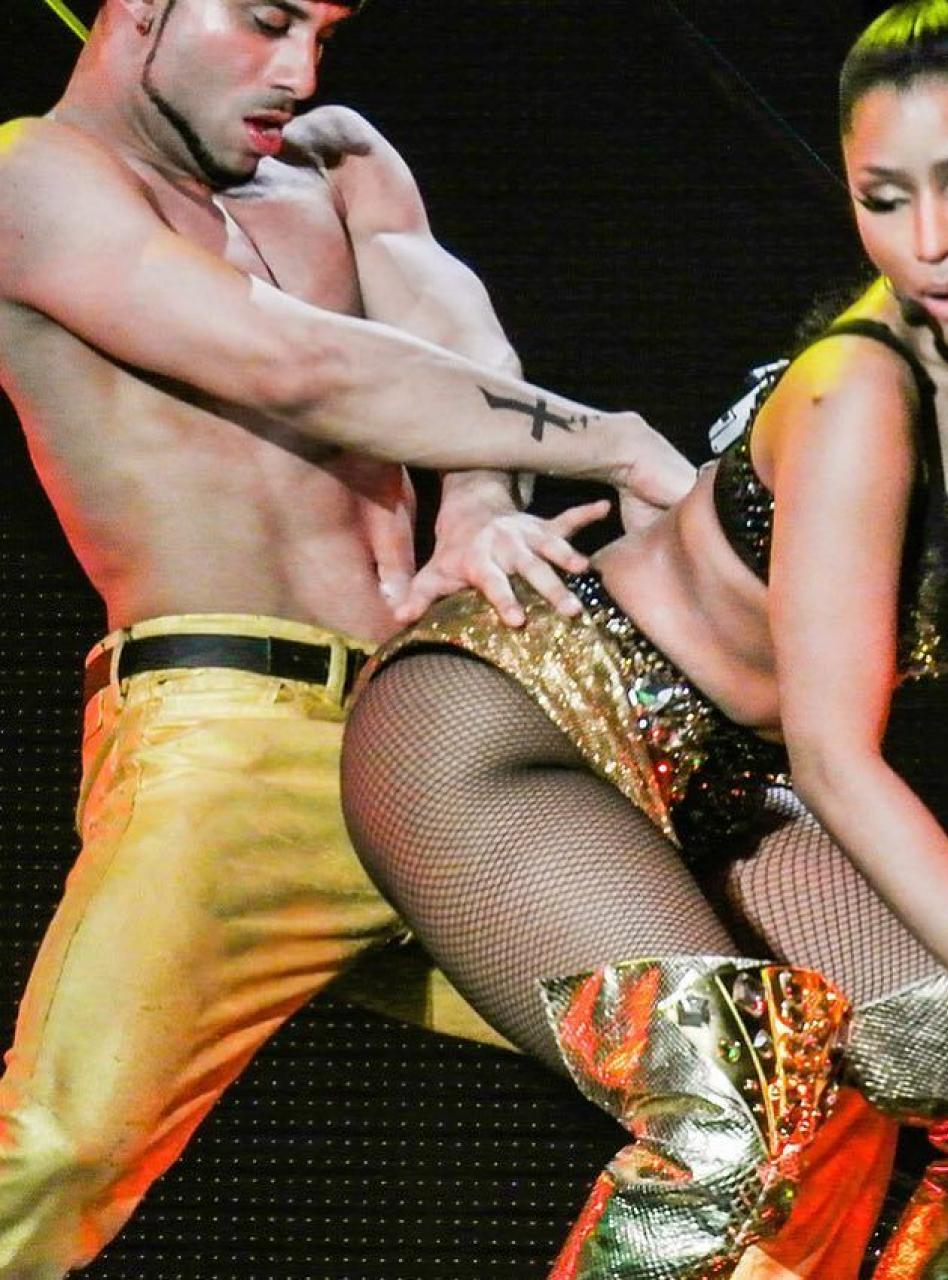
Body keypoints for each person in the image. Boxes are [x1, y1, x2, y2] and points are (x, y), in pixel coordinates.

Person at [341, 2, 948, 1277]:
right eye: (881, 198)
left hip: (718, 781)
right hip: (510, 725)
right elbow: (835, 758)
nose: (926, 242)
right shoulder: (863, 389)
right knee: (730, 1126)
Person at [0, 0, 699, 1273]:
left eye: (324, 31)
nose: (299, 70)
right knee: (56, 1155)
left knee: (753, 1068)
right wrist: (605, 440)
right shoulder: (32, 175)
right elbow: (290, 362)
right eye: (268, 20)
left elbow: (455, 344)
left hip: (428, 732)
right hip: (233, 742)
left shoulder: (339, 158)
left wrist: (478, 502)